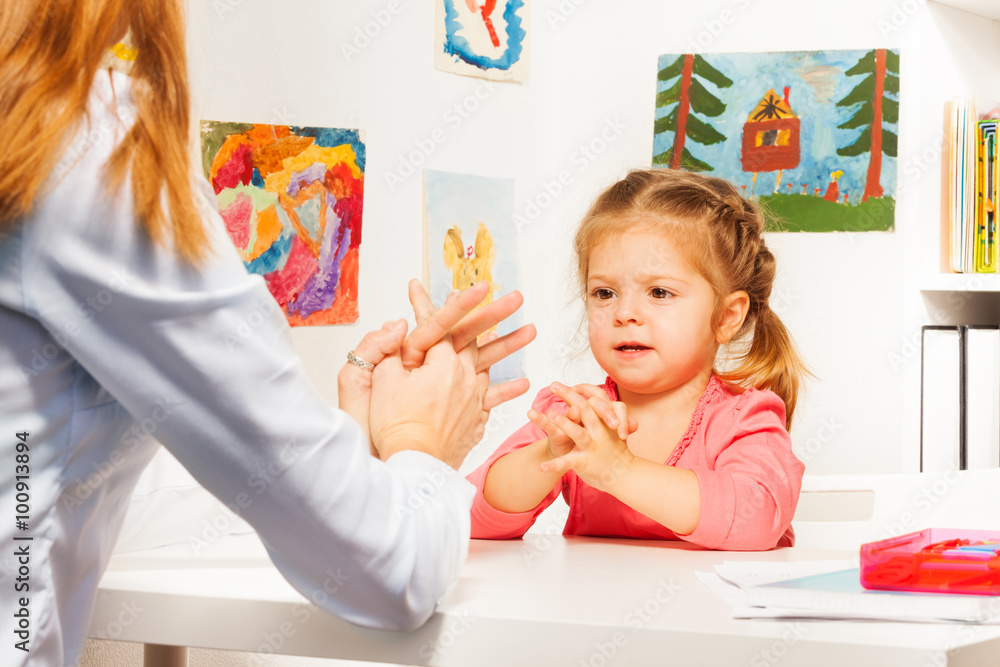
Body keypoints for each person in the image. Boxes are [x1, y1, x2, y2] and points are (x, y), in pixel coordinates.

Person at [0, 1, 535, 666]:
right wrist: (420, 441)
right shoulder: (80, 142)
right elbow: (389, 573)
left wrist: (345, 457)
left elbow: (50, 486)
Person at [467, 168, 808, 551]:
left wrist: (619, 471)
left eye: (660, 292)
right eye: (604, 293)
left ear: (727, 316)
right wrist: (550, 454)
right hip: (596, 610)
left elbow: (757, 519)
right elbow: (469, 517)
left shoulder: (744, 419)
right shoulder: (578, 414)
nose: (624, 313)